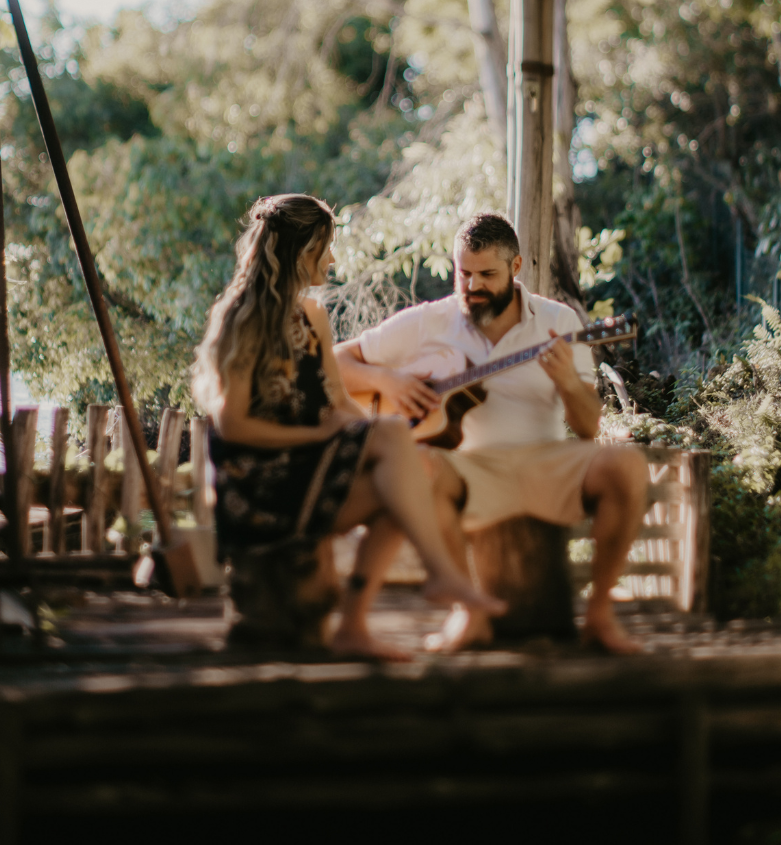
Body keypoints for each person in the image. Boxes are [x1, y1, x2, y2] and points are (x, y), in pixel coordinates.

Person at [192, 193, 504, 657]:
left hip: (307, 471)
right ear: (300, 250)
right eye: (325, 245)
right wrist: (317, 436)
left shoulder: (313, 316)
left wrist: (391, 444)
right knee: (397, 454)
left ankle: (354, 625)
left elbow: (337, 403)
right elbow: (233, 426)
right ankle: (443, 575)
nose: (332, 257)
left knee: (410, 467)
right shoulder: (243, 319)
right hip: (259, 488)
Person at [335, 211, 650, 655]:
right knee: (417, 465)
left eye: (486, 274)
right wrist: (389, 383)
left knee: (627, 465)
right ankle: (470, 613)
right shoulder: (429, 321)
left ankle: (599, 616)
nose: (472, 286)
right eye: (464, 273)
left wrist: (567, 383)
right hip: (467, 469)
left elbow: (588, 427)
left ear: (516, 269)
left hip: (546, 463)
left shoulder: (559, 322)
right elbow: (334, 363)